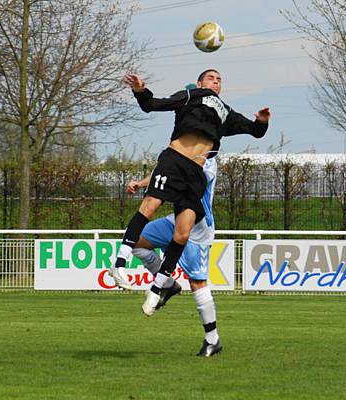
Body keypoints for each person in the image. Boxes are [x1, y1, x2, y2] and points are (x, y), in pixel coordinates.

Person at [109, 69, 270, 308]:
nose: (216, 81)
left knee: (182, 234)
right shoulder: (190, 96)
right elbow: (153, 104)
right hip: (175, 159)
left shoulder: (225, 113)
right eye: (210, 77)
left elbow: (255, 131)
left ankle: (161, 286)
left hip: (194, 175)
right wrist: (140, 91)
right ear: (199, 84)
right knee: (150, 206)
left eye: (219, 79)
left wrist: (261, 122)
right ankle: (119, 264)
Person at [128, 157, 222, 357]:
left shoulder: (208, 162)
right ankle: (169, 284)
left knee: (197, 282)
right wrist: (142, 183)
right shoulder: (185, 151)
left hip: (197, 229)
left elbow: (178, 179)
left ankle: (212, 339)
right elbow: (165, 172)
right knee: (134, 241)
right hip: (174, 221)